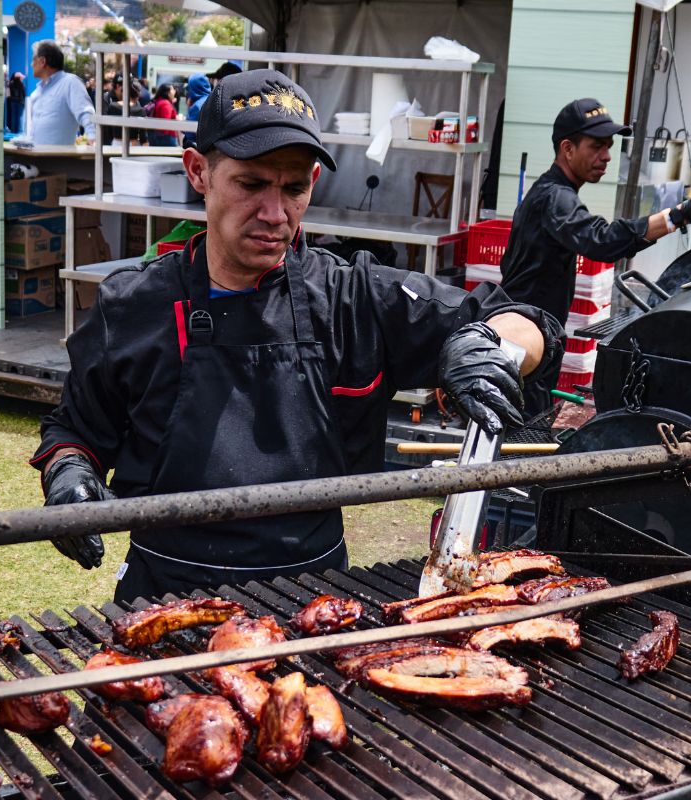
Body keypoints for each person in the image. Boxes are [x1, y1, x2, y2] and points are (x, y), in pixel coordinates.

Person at [31, 69, 562, 602]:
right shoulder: (133, 306)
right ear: (198, 171)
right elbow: (74, 430)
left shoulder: (352, 297)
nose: (274, 213)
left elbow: (525, 321)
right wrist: (68, 473)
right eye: (251, 183)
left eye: (294, 188)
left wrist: (489, 346)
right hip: (167, 588)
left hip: (313, 593)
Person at [499, 98, 691, 410]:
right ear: (568, 149)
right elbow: (601, 241)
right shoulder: (555, 197)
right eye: (596, 146)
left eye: (608, 146)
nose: (606, 156)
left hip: (529, 333)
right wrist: (677, 216)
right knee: (516, 435)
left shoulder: (549, 193)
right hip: (524, 338)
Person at [25, 41, 94, 146]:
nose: (31, 64)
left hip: (60, 159)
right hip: (34, 159)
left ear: (42, 61)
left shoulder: (70, 83)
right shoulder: (36, 93)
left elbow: (85, 112)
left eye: (33, 60)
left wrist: (93, 137)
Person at [182, 72, 209, 148]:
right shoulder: (212, 99)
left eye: (189, 88)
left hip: (195, 146)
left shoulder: (197, 106)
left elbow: (188, 132)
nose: (188, 91)